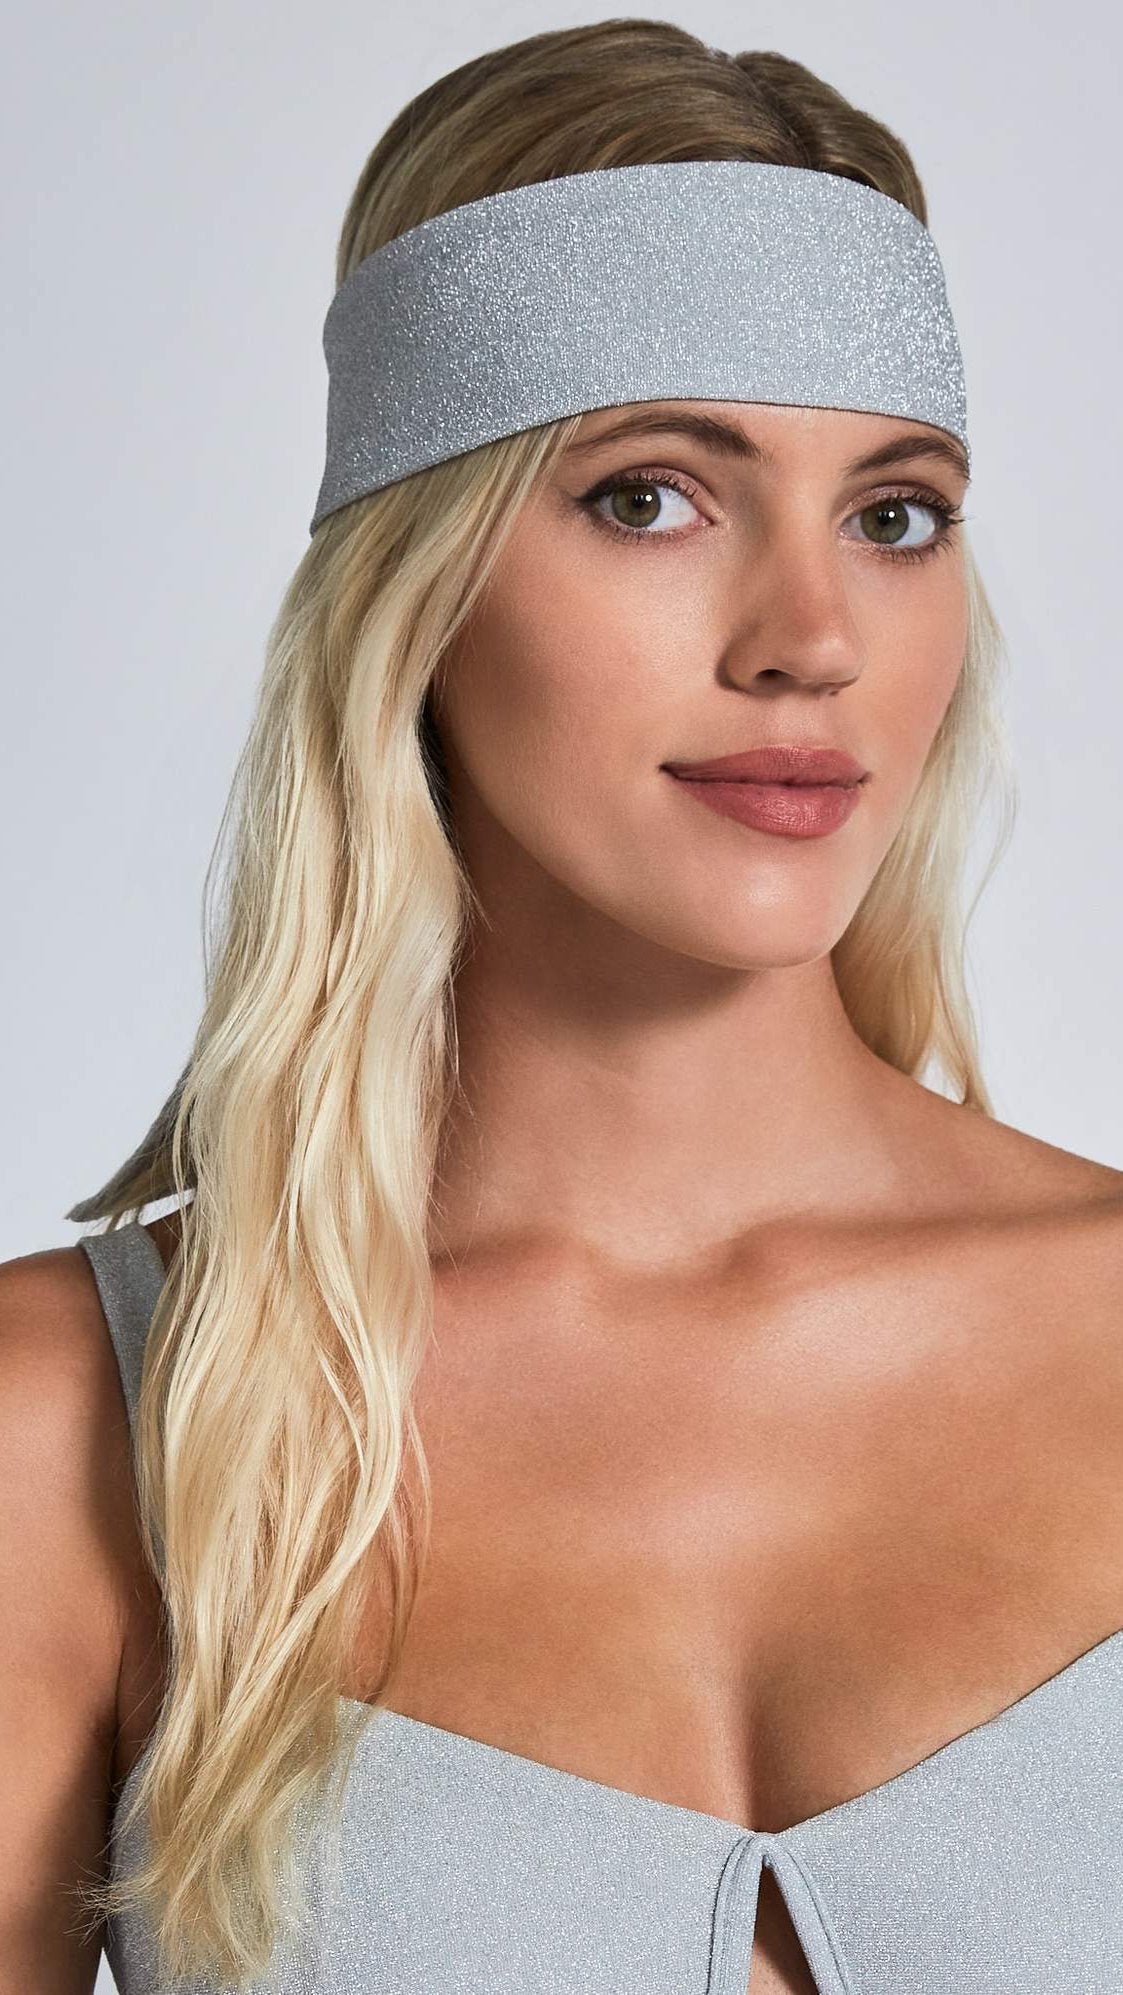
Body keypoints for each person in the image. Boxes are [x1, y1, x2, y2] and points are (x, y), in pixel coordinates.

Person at [4, 19, 1121, 1995]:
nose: (809, 639)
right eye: (649, 498)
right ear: (413, 584)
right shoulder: (76, 1433)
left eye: (893, 515)